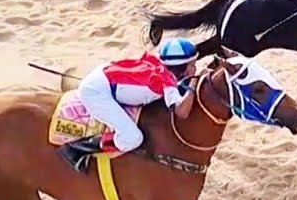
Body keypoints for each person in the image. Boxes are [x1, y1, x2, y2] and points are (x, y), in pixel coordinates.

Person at [62, 39, 200, 165]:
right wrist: (193, 82)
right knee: (133, 138)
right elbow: (182, 112)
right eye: (192, 65)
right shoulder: (166, 81)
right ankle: (76, 149)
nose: (195, 68)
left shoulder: (163, 69)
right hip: (96, 92)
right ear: (182, 67)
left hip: (104, 76)